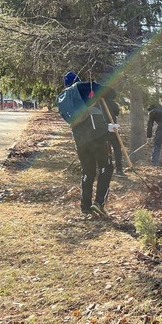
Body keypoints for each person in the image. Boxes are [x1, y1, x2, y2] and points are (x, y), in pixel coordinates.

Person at [61, 71, 115, 217]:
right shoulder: (83, 86)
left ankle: (85, 207)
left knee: (87, 172)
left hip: (79, 140)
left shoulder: (63, 98)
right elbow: (111, 93)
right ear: (77, 80)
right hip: (97, 135)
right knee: (106, 167)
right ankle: (99, 203)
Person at [105, 87, 125, 177]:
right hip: (112, 128)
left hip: (102, 128)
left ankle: (108, 167)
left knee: (106, 149)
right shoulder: (113, 104)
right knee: (117, 148)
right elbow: (117, 112)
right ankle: (119, 169)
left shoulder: (99, 103)